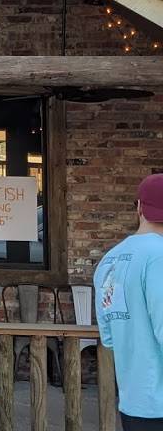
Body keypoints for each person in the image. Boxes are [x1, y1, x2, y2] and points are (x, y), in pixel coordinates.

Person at [94, 173, 163, 431]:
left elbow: (108, 337)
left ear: (140, 207)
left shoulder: (108, 262)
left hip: (132, 402)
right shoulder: (159, 256)